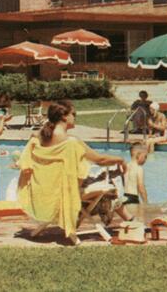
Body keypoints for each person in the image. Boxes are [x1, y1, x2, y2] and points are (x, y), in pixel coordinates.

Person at [17, 101, 127, 242]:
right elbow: (100, 160)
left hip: (44, 191)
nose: (75, 117)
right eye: (73, 114)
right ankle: (112, 209)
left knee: (98, 176)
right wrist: (121, 160)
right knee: (113, 173)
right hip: (65, 192)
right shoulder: (71, 142)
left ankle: (110, 208)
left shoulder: (39, 138)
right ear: (64, 117)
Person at [124, 142, 148, 207]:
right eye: (145, 156)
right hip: (133, 198)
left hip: (124, 197)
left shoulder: (125, 166)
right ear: (138, 155)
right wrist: (146, 202)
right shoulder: (139, 168)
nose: (145, 160)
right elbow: (141, 187)